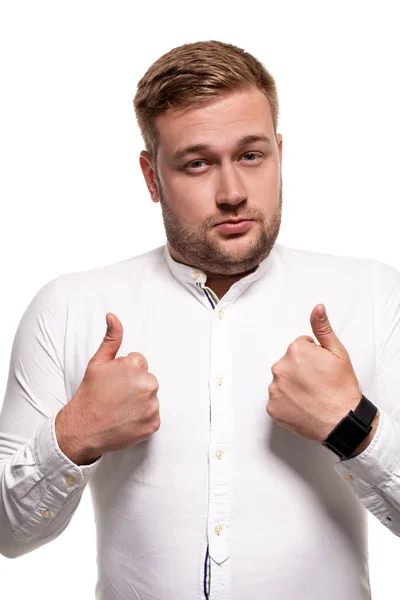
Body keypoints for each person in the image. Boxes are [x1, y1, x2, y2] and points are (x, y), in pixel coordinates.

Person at [0, 39, 399, 600]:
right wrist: (72, 436)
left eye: (251, 155)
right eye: (197, 163)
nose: (233, 192)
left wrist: (354, 426)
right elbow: (8, 536)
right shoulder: (69, 308)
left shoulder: (375, 295)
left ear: (279, 153)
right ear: (151, 176)